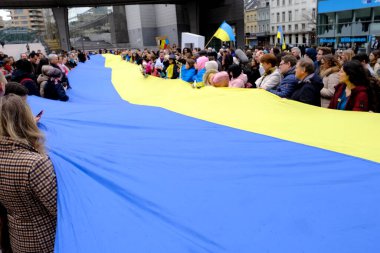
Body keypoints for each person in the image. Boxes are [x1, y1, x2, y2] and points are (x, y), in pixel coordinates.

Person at [0, 94, 57, 253]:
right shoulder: (35, 164)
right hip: (43, 239)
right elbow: (57, 208)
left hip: (17, 236)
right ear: (26, 119)